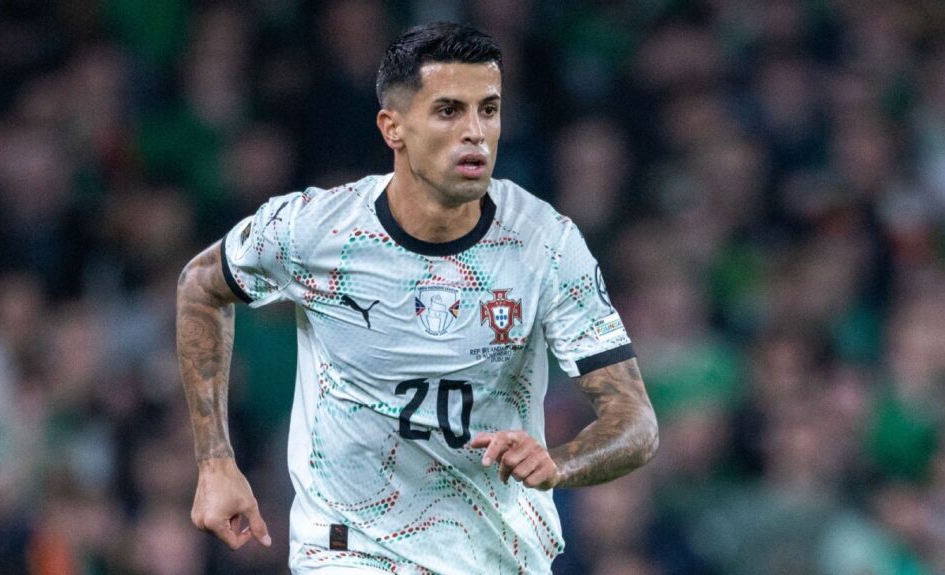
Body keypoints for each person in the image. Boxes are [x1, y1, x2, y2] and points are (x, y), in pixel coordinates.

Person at [176, 22, 658, 574]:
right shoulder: (317, 230)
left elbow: (635, 423)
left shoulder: (544, 243)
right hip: (349, 550)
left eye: (489, 110)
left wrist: (559, 462)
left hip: (496, 554)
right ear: (393, 127)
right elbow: (201, 285)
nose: (475, 132)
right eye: (449, 111)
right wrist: (215, 461)